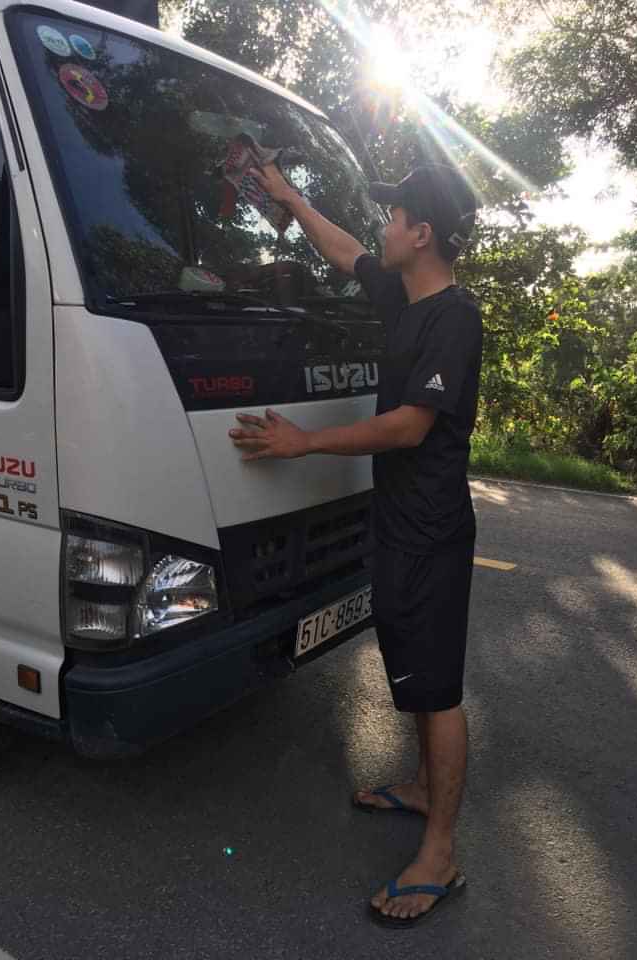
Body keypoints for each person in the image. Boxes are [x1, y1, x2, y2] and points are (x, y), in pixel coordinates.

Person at [229, 160, 482, 928]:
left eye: (394, 215)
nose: (383, 225)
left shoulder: (453, 318)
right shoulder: (403, 297)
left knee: (437, 690)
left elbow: (409, 426)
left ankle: (440, 854)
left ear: (422, 233)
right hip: (398, 525)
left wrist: (303, 443)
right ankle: (421, 787)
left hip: (431, 533)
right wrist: (290, 197)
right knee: (411, 670)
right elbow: (345, 251)